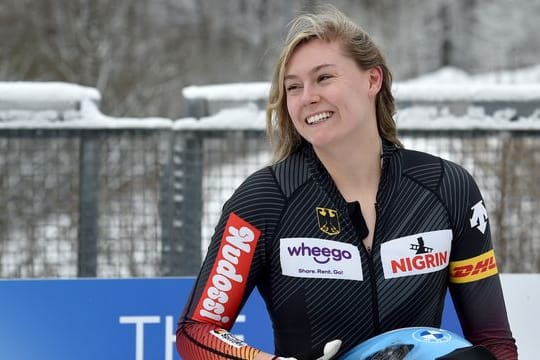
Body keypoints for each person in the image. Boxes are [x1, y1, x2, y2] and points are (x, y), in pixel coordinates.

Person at [176, 4, 518, 360]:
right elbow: (196, 330)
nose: (308, 96)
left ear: (373, 80)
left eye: (324, 78)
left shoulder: (447, 188)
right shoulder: (266, 198)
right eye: (293, 87)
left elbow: (495, 342)